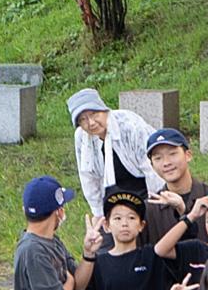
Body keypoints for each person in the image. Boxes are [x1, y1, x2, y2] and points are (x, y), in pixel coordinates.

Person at [66, 88, 156, 218]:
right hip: (112, 196)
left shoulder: (129, 126)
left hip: (143, 188)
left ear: (104, 110)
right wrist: (98, 214)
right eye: (83, 120)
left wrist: (155, 208)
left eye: (94, 114)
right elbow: (87, 176)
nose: (91, 123)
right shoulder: (81, 136)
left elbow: (151, 168)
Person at [139, 127, 208, 263]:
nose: (166, 162)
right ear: (152, 165)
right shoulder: (149, 209)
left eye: (173, 154)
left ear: (188, 155)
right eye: (158, 158)